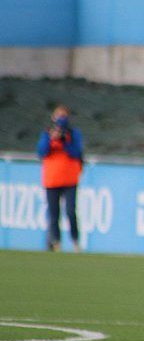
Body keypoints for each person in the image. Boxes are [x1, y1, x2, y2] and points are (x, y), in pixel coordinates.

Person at [37, 106, 84, 252]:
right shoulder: (47, 133)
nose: (61, 119)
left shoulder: (73, 134)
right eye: (58, 116)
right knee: (54, 213)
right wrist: (51, 139)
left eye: (63, 116)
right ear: (53, 117)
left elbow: (77, 153)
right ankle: (56, 243)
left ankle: (75, 242)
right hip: (52, 180)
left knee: (70, 211)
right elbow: (42, 152)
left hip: (69, 179)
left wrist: (64, 141)